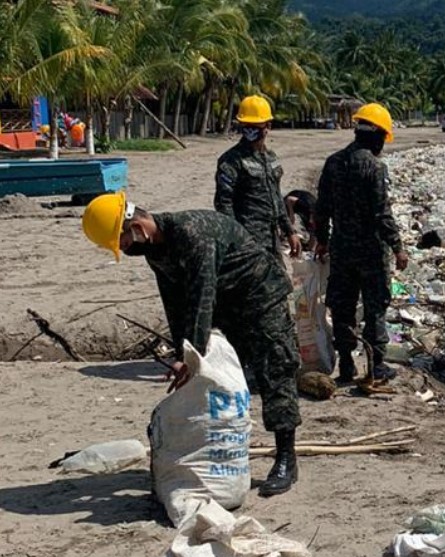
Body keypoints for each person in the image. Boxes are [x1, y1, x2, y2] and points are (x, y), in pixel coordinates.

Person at [81, 193, 303, 496]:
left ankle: (286, 459)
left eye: (124, 242)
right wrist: (181, 353)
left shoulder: (193, 234)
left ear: (135, 225)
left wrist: (191, 353)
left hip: (260, 298)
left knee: (276, 371)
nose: (125, 249)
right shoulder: (156, 251)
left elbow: (202, 294)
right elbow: (174, 302)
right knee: (228, 380)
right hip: (228, 305)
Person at [312, 102, 408, 384]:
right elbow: (382, 213)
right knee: (375, 306)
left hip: (342, 249)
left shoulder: (334, 162)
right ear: (377, 135)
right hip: (371, 252)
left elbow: (322, 208)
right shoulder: (375, 167)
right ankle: (376, 365)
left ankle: (345, 365)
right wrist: (398, 247)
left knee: (343, 306)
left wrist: (322, 241)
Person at [215, 95, 299, 261]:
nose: (250, 130)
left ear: (268, 126)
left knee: (279, 283)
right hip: (248, 238)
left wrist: (290, 231)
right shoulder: (231, 160)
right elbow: (223, 203)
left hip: (273, 238)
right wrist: (237, 238)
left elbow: (276, 197)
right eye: (247, 125)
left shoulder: (271, 158)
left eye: (255, 126)